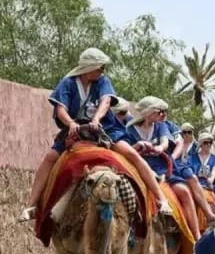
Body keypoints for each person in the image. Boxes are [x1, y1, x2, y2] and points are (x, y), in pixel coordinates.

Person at [20, 47, 172, 221]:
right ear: (89, 68)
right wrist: (71, 124)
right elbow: (61, 109)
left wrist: (97, 119)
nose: (102, 71)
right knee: (50, 158)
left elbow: (106, 101)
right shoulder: (68, 83)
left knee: (131, 154)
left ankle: (161, 200)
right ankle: (31, 205)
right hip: (76, 131)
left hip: (104, 128)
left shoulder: (102, 82)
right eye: (99, 68)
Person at [123, 97, 203, 239]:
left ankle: (195, 236)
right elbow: (128, 149)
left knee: (184, 191)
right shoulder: (129, 129)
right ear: (149, 112)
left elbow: (165, 142)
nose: (162, 115)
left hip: (161, 167)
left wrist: (159, 148)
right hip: (138, 167)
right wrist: (138, 146)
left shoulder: (160, 126)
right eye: (159, 112)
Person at [188, 133, 215, 199]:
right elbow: (189, 172)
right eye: (206, 142)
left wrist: (210, 181)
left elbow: (214, 171)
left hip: (213, 185)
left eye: (210, 142)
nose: (209, 144)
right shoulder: (191, 158)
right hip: (195, 185)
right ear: (200, 144)